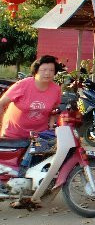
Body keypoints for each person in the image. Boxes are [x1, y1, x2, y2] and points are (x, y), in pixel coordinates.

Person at [0, 55, 62, 208]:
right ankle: (9, 191)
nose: (47, 73)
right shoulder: (24, 85)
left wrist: (52, 125)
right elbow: (1, 103)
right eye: (44, 69)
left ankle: (24, 198)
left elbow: (53, 111)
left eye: (51, 70)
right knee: (10, 166)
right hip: (13, 132)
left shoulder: (55, 89)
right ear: (36, 71)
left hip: (38, 134)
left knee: (32, 165)